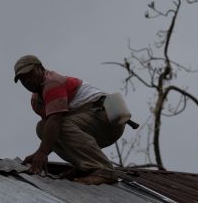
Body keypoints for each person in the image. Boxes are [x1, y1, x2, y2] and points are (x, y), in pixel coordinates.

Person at [14, 54, 125, 185]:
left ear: (41, 68)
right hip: (89, 123)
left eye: (30, 74)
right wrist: (39, 153)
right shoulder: (36, 101)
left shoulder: (52, 82)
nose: (27, 80)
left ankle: (103, 170)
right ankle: (84, 166)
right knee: (42, 128)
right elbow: (52, 133)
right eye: (23, 79)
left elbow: (55, 122)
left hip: (107, 120)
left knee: (58, 124)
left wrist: (42, 152)